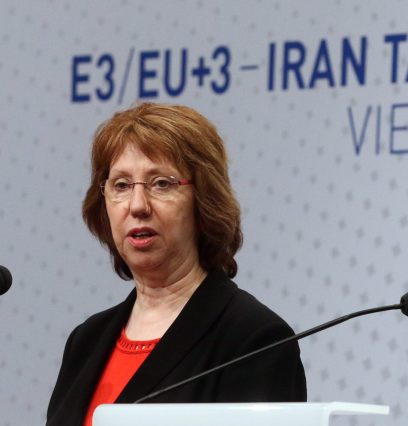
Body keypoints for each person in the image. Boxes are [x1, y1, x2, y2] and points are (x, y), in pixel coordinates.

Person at [47, 103, 307, 426]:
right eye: (121, 185)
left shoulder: (253, 340)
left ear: (203, 202)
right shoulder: (85, 342)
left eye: (161, 184)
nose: (137, 206)